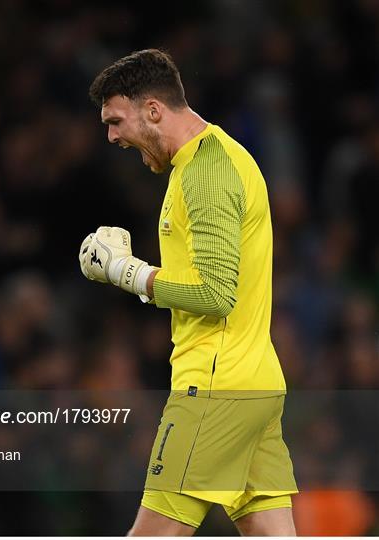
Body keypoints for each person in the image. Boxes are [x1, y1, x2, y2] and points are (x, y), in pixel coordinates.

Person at [79, 49, 298, 536]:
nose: (111, 136)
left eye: (116, 120)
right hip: (253, 381)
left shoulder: (206, 173)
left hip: (216, 388)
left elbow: (219, 294)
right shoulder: (209, 161)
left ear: (153, 110)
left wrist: (127, 273)